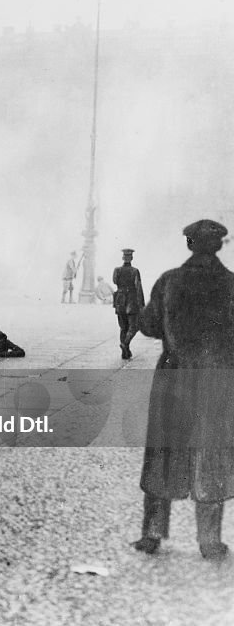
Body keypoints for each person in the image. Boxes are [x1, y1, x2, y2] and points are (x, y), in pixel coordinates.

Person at [133, 219, 234, 560]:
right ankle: (210, 541)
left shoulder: (169, 281)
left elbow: (147, 326)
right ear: (218, 246)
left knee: (164, 451)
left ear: (190, 244)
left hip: (174, 378)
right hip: (218, 381)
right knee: (212, 455)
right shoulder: (232, 284)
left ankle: (152, 534)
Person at [113, 248, 145, 359]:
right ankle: (125, 344)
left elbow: (115, 281)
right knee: (134, 327)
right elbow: (138, 288)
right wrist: (141, 305)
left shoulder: (117, 270)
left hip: (120, 300)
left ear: (123, 258)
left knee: (123, 327)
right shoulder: (135, 271)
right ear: (131, 258)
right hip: (131, 301)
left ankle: (125, 352)